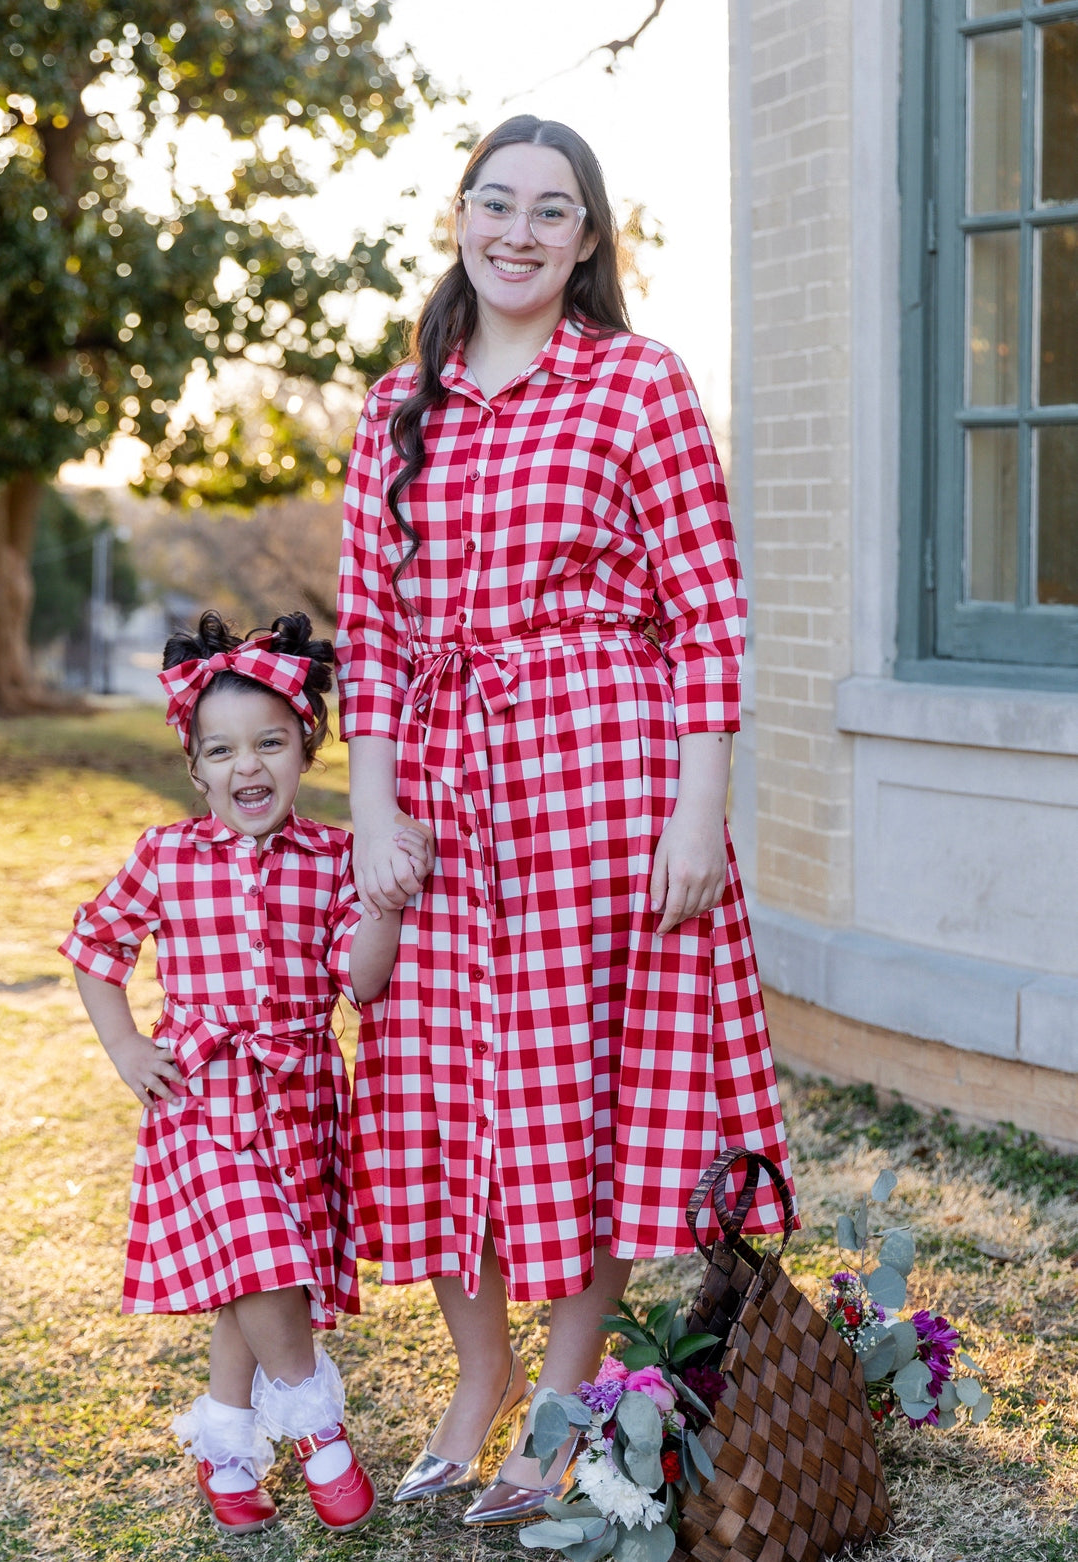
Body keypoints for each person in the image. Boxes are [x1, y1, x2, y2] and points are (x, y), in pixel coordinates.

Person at [336, 115, 796, 1526]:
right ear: (459, 218)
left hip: (600, 778)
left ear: (587, 239)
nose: (518, 232)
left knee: (579, 1095)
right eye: (496, 203)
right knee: (430, 1086)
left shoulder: (636, 382)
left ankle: (556, 1398)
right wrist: (371, 812)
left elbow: (707, 611)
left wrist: (696, 807)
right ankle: (473, 1377)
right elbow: (367, 632)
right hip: (441, 794)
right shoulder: (394, 406)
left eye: (551, 211)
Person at [60, 610, 427, 1537]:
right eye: (220, 750)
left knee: (260, 1279)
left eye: (269, 742)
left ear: (307, 747)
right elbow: (95, 948)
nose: (246, 767)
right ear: (195, 769)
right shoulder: (166, 855)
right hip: (203, 1097)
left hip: (300, 1096)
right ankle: (317, 1426)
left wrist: (385, 899)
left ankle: (224, 1447)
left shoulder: (335, 858)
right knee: (261, 1256)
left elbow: (361, 979)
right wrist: (127, 1047)